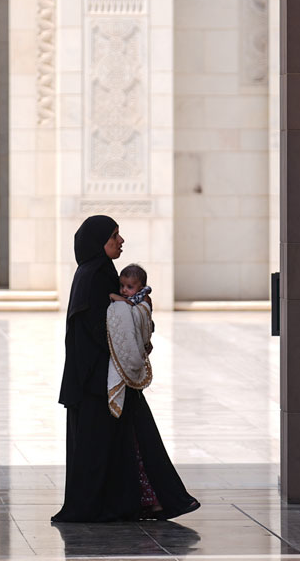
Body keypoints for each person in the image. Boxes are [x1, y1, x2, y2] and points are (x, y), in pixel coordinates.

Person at [52, 216, 198, 522]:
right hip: (101, 382)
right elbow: (101, 327)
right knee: (112, 444)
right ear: (98, 242)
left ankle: (137, 501)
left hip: (97, 379)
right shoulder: (97, 276)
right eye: (114, 236)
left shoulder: (94, 273)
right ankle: (121, 504)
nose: (121, 241)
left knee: (121, 441)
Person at [105, 264, 154, 419]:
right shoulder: (132, 296)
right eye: (122, 286)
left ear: (140, 288)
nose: (124, 290)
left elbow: (137, 312)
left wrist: (116, 298)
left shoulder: (141, 298)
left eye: (129, 287)